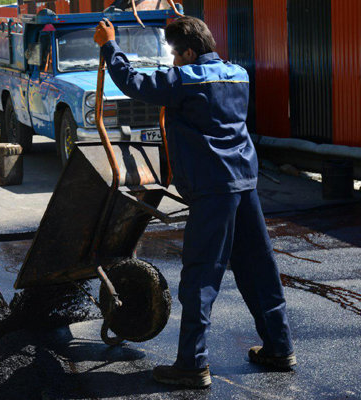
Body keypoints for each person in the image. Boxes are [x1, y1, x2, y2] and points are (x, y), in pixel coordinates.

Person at [94, 17, 296, 388]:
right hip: (244, 184)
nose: (173, 61)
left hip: (213, 188)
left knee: (201, 276)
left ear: (188, 52)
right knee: (259, 269)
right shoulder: (238, 75)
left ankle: (191, 364)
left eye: (175, 54)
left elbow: (132, 82)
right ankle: (279, 348)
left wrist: (110, 46)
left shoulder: (185, 80)